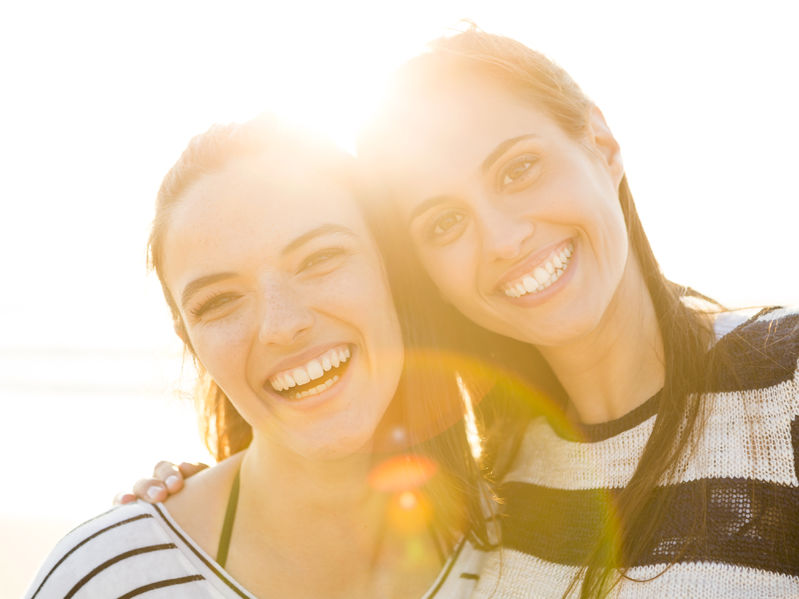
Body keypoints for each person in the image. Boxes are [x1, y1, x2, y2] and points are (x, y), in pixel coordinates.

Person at [134, 29, 799, 598]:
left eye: (519, 169)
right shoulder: (493, 480)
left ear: (599, 141)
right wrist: (179, 511)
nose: (503, 238)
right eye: (445, 221)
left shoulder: (784, 389)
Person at [25, 116, 519, 599]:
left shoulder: (531, 549)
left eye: (319, 259)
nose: (283, 326)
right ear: (189, 338)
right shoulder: (106, 580)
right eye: (219, 301)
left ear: (391, 267)